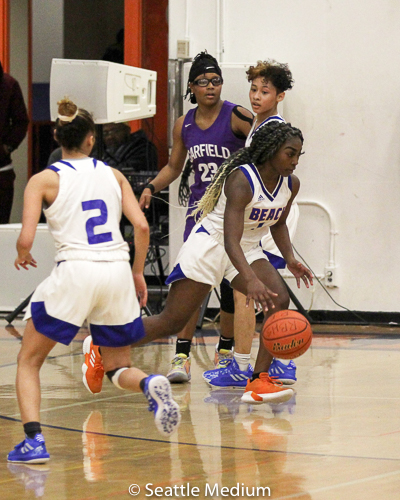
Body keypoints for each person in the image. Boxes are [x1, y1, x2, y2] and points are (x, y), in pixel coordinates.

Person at [83, 121, 313, 405]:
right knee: (172, 321)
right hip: (211, 245)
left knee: (278, 300)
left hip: (248, 247)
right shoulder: (242, 180)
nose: (295, 161)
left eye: (298, 155)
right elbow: (229, 240)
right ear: (272, 150)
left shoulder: (291, 184)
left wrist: (290, 259)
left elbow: (277, 223)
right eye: (290, 153)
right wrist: (251, 280)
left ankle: (258, 380)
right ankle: (101, 343)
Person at [7, 99, 181, 465]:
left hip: (76, 270)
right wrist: (137, 272)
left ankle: (34, 441)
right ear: (91, 139)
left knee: (29, 361)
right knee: (117, 367)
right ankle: (148, 383)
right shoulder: (114, 175)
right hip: (116, 270)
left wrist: (23, 253)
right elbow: (142, 226)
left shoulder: (44, 179)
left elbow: (26, 238)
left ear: (57, 138)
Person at [139, 51, 254, 383]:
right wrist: (151, 186)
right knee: (192, 286)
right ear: (192, 87)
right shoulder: (184, 124)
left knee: (232, 287)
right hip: (200, 215)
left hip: (234, 216)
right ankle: (181, 355)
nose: (211, 86)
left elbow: (264, 144)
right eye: (204, 81)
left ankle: (225, 352)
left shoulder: (237, 116)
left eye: (216, 80)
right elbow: (174, 167)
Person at [204, 59, 299, 389]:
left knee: (251, 289)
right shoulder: (258, 123)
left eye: (265, 91)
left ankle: (249, 365)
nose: (257, 96)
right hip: (261, 213)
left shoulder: (273, 129)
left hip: (267, 216)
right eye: (254, 89)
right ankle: (274, 363)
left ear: (280, 96)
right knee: (254, 290)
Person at [0, 60, 29, 224]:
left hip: (2, 170)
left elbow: (21, 122)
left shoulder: (8, 85)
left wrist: (6, 148)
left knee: (1, 230)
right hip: (3, 169)